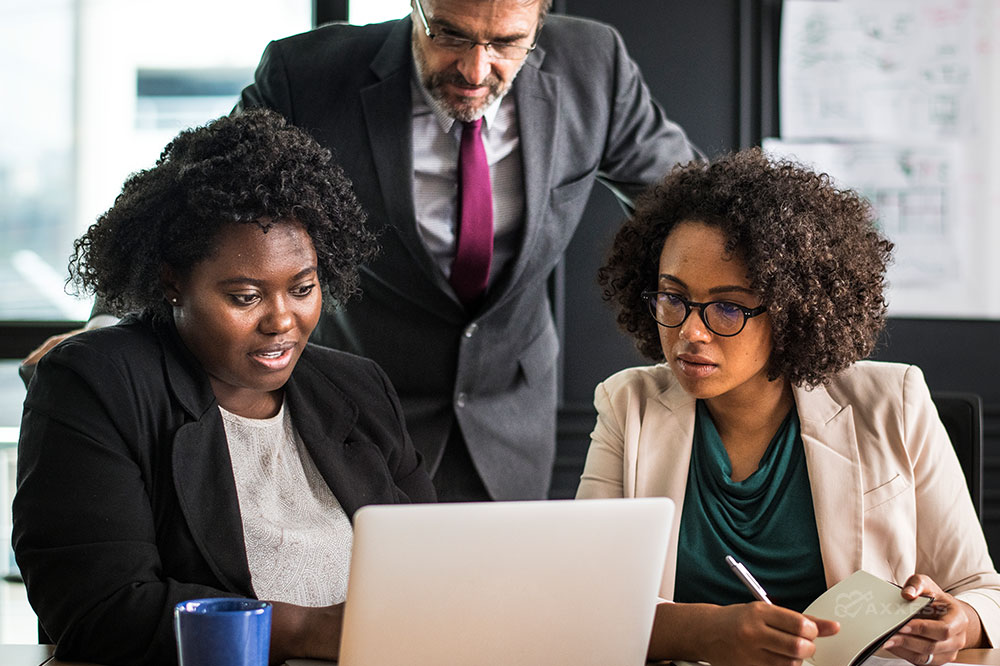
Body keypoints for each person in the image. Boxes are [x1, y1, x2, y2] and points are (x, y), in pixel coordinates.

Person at [13, 110, 435, 666]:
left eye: (303, 288)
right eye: (245, 297)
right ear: (173, 283)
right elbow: (100, 608)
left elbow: (433, 569)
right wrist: (309, 629)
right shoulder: (97, 383)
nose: (282, 320)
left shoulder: (357, 387)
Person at [233, 0, 698, 501]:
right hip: (356, 403)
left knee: (504, 577)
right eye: (450, 36)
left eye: (505, 43)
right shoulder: (305, 75)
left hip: (511, 407)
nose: (476, 70)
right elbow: (215, 211)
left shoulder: (594, 64)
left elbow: (691, 206)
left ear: (540, 18)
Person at [576, 148, 1000, 666]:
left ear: (791, 309)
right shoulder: (627, 406)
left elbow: (983, 590)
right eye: (672, 298)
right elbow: (587, 603)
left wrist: (963, 622)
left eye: (728, 307)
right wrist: (701, 633)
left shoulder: (895, 401)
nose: (690, 330)